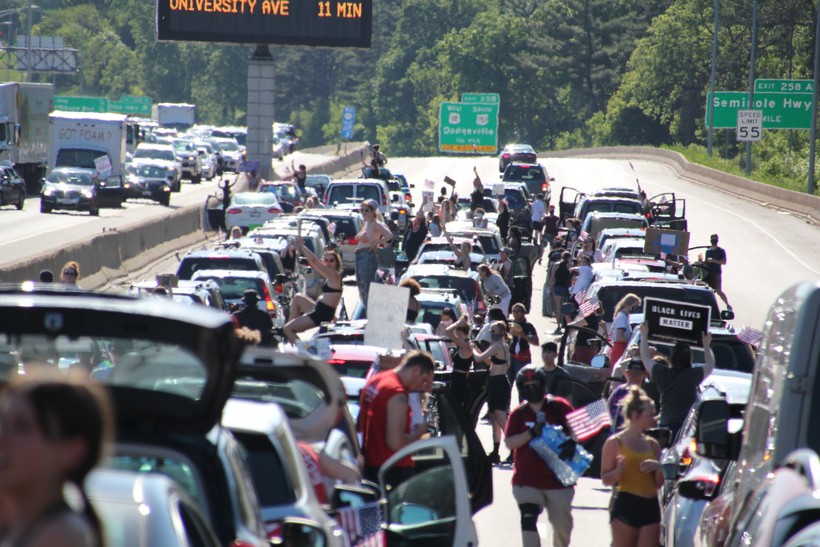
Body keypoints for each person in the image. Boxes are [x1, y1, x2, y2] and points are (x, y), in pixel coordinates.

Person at [0, 369, 113, 547]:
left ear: (73, 451)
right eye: (3, 423)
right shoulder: (16, 526)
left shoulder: (62, 535)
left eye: (22, 427)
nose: (2, 437)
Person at [504, 365, 576, 547]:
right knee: (527, 520)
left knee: (562, 528)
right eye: (526, 386)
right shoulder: (518, 414)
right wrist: (531, 433)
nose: (531, 389)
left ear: (543, 385)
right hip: (526, 479)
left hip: (558, 480)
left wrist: (570, 444)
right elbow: (509, 442)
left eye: (535, 385)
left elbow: (577, 430)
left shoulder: (559, 407)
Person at [358, 350, 434, 485]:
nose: (425, 388)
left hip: (372, 466)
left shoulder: (377, 380)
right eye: (424, 380)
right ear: (415, 370)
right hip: (394, 469)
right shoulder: (397, 394)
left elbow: (360, 422)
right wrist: (420, 432)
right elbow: (395, 443)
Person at [600, 386, 664, 547]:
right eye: (650, 415)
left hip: (650, 505)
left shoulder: (653, 444)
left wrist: (658, 467)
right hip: (626, 503)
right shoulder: (614, 443)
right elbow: (606, 479)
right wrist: (617, 472)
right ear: (635, 416)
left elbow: (659, 483)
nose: (654, 418)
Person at [638, 323, 714, 438]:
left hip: (665, 426)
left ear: (672, 358)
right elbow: (710, 365)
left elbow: (645, 358)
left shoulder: (663, 373)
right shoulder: (692, 375)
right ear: (690, 359)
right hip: (686, 428)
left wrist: (644, 335)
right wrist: (706, 345)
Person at [283, 243, 343, 344]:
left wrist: (302, 246)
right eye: (326, 260)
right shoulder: (330, 276)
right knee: (298, 298)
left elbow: (314, 261)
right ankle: (290, 328)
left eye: (331, 260)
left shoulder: (334, 275)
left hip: (321, 314)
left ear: (336, 263)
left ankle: (303, 350)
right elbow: (315, 264)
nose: (328, 263)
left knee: (287, 329)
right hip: (321, 310)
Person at [472, 321, 512, 465]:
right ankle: (495, 452)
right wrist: (476, 346)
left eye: (494, 331)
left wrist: (472, 349)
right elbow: (490, 363)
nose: (492, 334)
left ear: (502, 332)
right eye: (491, 331)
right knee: (495, 419)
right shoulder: (503, 346)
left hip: (499, 384)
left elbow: (478, 358)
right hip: (498, 382)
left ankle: (515, 450)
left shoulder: (497, 346)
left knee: (501, 419)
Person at [354, 199, 393, 307]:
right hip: (360, 256)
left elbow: (389, 235)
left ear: (373, 211)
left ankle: (370, 315)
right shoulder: (366, 223)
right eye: (362, 210)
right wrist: (360, 237)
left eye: (366, 210)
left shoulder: (376, 223)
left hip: (367, 256)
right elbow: (357, 237)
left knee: (367, 289)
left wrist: (377, 242)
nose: (364, 213)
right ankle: (369, 314)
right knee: (361, 288)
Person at [607, 358, 648, 432]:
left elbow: (607, 409)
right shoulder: (639, 395)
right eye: (633, 373)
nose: (635, 375)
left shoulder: (617, 390)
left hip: (616, 435)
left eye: (637, 373)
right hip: (626, 436)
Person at [445, 314, 474, 411]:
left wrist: (458, 323)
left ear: (459, 331)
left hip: (459, 380)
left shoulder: (465, 344)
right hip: (460, 378)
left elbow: (448, 331)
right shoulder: (467, 343)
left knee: (456, 407)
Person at [508, 303, 539, 387]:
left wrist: (523, 336)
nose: (516, 313)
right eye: (514, 311)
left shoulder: (528, 326)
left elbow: (536, 342)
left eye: (518, 311)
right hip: (510, 356)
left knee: (523, 383)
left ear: (523, 312)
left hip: (523, 357)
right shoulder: (509, 324)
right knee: (507, 383)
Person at [567, 300, 607, 365]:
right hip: (582, 346)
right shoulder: (596, 318)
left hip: (584, 347)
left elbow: (576, 324)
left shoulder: (590, 317)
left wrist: (568, 326)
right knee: (573, 366)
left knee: (581, 367)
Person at [610, 294, 642, 366]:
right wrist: (633, 341)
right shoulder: (622, 317)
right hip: (620, 348)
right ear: (628, 304)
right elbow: (619, 338)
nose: (636, 308)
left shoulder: (625, 317)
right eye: (635, 306)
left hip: (623, 348)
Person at [703, 234, 732, 310]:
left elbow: (723, 262)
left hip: (717, 273)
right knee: (707, 290)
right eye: (712, 239)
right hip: (709, 273)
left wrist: (714, 260)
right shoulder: (708, 251)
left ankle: (728, 305)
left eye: (715, 239)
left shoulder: (721, 251)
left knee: (718, 290)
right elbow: (706, 262)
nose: (713, 240)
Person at [550, 252, 572, 334]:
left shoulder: (556, 264)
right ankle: (564, 324)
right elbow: (572, 276)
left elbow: (552, 276)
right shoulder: (569, 266)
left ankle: (558, 325)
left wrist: (550, 286)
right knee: (565, 307)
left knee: (558, 307)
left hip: (557, 286)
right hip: (566, 288)